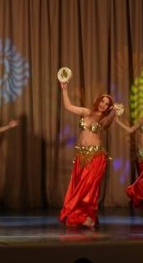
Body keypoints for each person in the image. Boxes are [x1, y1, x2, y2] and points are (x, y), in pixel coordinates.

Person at [59, 81, 116, 228]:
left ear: (109, 107)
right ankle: (80, 216)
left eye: (107, 104)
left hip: (96, 156)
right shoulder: (86, 112)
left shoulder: (104, 119)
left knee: (89, 187)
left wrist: (113, 113)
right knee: (78, 186)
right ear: (98, 101)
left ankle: (88, 217)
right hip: (81, 156)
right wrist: (64, 89)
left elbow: (105, 123)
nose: (103, 105)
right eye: (102, 101)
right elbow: (68, 106)